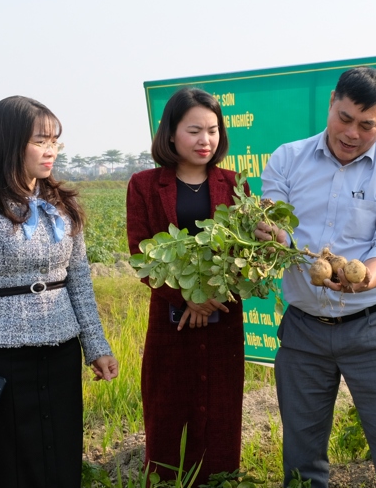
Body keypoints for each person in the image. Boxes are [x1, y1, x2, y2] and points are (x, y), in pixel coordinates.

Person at [254, 66, 376, 488]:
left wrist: (363, 278)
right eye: (345, 118)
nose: (352, 133)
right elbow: (274, 223)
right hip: (303, 331)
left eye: (367, 126)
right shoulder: (287, 159)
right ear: (332, 102)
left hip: (375, 327)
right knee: (301, 456)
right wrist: (270, 234)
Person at [0, 95, 119, 488]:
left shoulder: (61, 205)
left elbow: (80, 281)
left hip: (61, 349)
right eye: (40, 140)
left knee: (61, 454)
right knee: (8, 461)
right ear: (8, 142)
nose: (50, 150)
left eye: (55, 141)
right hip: (1, 356)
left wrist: (97, 346)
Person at [126, 87, 248, 485]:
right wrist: (189, 300)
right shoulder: (144, 185)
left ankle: (221, 478)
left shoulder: (234, 185)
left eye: (213, 130)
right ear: (171, 133)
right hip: (170, 318)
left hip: (223, 316)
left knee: (221, 408)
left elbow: (243, 255)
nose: (205, 140)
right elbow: (142, 257)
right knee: (168, 405)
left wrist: (211, 300)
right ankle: (165, 479)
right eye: (194, 130)